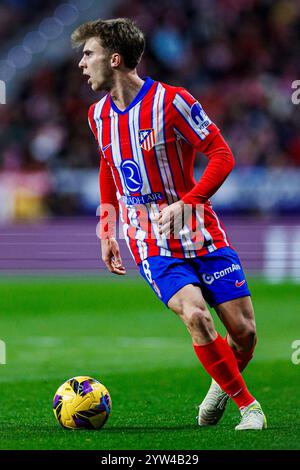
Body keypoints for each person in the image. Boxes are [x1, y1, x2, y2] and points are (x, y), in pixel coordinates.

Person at [72, 18, 267, 430]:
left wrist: (189, 201)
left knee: (245, 333)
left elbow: (222, 154)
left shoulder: (172, 101)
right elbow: (110, 165)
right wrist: (108, 228)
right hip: (149, 238)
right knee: (196, 316)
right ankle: (249, 407)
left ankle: (221, 385)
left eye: (88, 54)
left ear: (115, 58)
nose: (81, 64)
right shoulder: (97, 116)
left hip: (199, 228)